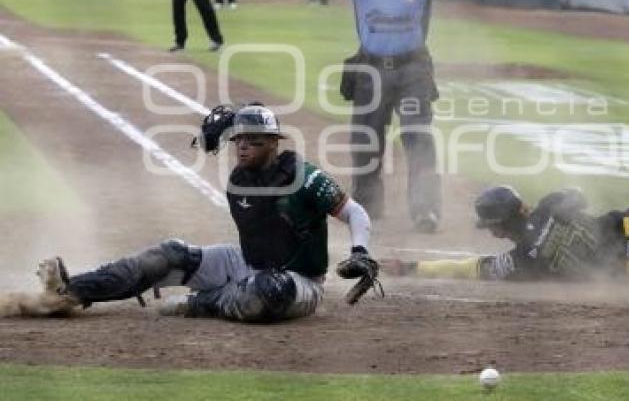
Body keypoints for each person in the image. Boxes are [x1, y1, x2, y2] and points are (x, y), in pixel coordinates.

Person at [240, 0, 565, 233]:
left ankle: (425, 210)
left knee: (418, 138)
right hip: (370, 68)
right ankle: (368, 208)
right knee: (366, 141)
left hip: (413, 69)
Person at [2, 104, 378, 323]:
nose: (243, 147)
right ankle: (69, 294)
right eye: (239, 141)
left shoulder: (304, 177)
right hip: (245, 261)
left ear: (274, 144)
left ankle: (199, 303)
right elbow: (233, 126)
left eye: (254, 141)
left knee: (267, 291)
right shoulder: (239, 178)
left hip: (299, 281)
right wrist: (218, 130)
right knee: (169, 254)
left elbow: (354, 212)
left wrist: (360, 251)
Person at [381, 186, 629, 281]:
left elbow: (472, 267)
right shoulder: (551, 204)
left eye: (493, 227)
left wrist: (413, 267)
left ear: (501, 228)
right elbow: (580, 196)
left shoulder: (524, 262)